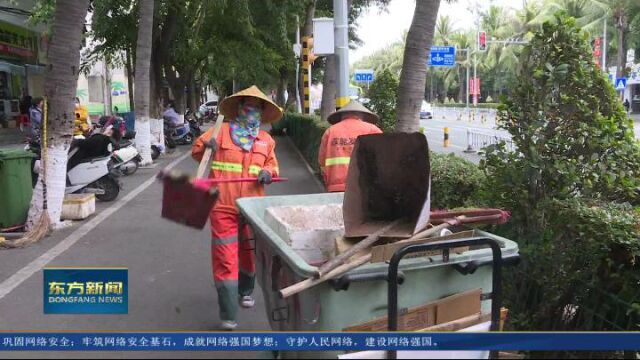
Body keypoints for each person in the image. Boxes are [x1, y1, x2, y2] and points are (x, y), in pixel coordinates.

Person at [192, 86, 282, 331]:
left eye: (257, 106)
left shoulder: (266, 140)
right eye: (247, 105)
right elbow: (197, 153)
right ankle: (228, 312)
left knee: (248, 253)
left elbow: (273, 167)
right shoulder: (219, 132)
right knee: (225, 257)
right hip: (223, 206)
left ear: (262, 112)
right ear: (239, 108)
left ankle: (245, 291)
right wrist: (206, 146)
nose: (251, 110)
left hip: (253, 207)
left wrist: (268, 173)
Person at [318, 101, 382, 192]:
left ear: (341, 116)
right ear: (362, 116)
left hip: (336, 186)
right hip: (366, 186)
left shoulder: (330, 131)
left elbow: (321, 161)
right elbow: (384, 158)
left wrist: (328, 180)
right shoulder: (373, 130)